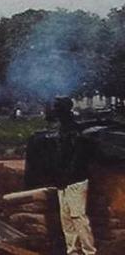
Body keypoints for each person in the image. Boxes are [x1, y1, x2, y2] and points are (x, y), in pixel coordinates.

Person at [50, 96, 97, 255]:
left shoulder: (74, 130)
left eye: (57, 108)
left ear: (64, 110)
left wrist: (65, 176)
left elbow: (77, 158)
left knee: (78, 218)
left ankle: (89, 251)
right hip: (64, 181)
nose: (55, 111)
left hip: (75, 181)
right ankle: (73, 252)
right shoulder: (63, 129)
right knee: (67, 221)